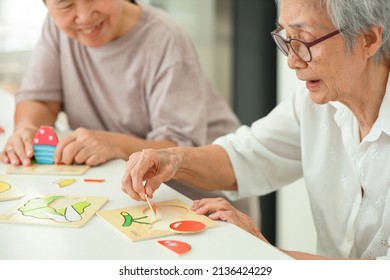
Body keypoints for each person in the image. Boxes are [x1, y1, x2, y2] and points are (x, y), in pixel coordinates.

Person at [121, 0, 390, 259]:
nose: (293, 61)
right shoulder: (315, 103)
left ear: (368, 38)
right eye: (287, 38)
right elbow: (247, 156)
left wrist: (267, 254)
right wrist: (174, 160)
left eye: (305, 39)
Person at [0, 0, 260, 222]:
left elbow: (179, 150)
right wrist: (27, 129)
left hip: (199, 199)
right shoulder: (57, 29)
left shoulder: (164, 36)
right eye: (66, 5)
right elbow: (41, 99)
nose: (84, 16)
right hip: (127, 195)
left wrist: (113, 144)